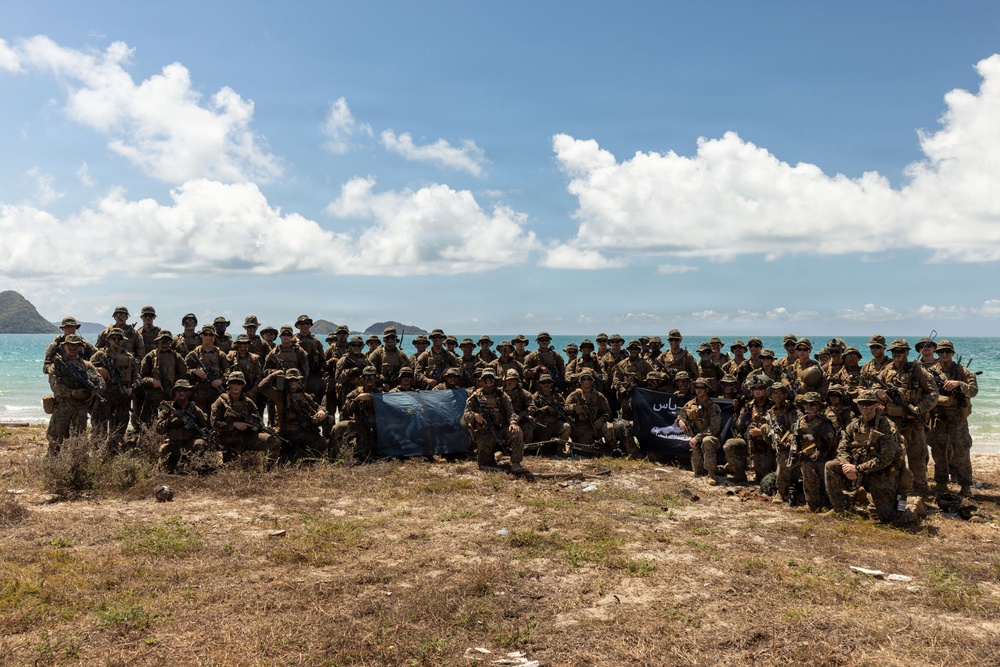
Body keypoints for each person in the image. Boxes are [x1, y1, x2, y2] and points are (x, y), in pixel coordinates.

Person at [825, 390, 914, 525]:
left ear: (876, 405)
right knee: (831, 466)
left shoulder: (887, 426)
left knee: (891, 520)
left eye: (868, 404)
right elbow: (842, 448)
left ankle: (915, 507)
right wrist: (846, 465)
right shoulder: (854, 425)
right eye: (862, 404)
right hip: (858, 469)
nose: (865, 407)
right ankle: (839, 509)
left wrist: (858, 468)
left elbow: (886, 459)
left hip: (882, 473)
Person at [874, 338, 938, 498]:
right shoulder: (886, 370)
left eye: (901, 351)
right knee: (892, 457)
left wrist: (918, 408)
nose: (897, 354)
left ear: (907, 352)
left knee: (917, 458)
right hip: (890, 423)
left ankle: (920, 492)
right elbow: (873, 387)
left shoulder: (917, 370)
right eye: (894, 352)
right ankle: (895, 490)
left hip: (912, 422)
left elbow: (933, 393)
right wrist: (878, 393)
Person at [928, 340, 979, 497]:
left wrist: (959, 384)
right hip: (938, 417)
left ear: (952, 353)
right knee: (939, 451)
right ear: (937, 353)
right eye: (941, 352)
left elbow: (973, 391)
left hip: (957, 418)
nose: (944, 354)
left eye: (948, 352)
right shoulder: (930, 372)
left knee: (961, 451)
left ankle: (965, 485)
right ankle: (941, 483)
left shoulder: (962, 371)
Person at [46, 333, 105, 456]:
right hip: (62, 407)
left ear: (80, 348)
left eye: (76, 346)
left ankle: (76, 468)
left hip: (80, 409)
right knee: (55, 440)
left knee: (78, 442)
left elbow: (101, 383)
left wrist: (93, 390)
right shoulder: (57, 364)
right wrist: (72, 393)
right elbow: (54, 385)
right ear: (65, 346)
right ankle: (51, 469)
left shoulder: (87, 365)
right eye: (70, 345)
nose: (73, 348)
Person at [258, 368, 330, 463]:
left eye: (295, 380)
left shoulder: (304, 395)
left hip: (301, 432)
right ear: (286, 380)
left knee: (322, 443)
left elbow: (318, 406)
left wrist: (321, 411)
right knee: (286, 460)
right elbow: (262, 387)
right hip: (285, 433)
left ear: (299, 380)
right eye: (290, 380)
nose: (293, 382)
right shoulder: (280, 395)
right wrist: (274, 374)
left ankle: (305, 462)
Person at [464, 367, 526, 473]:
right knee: (485, 465)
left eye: (491, 378)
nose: (488, 381)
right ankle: (496, 456)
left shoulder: (501, 395)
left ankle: (516, 463)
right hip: (485, 433)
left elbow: (511, 412)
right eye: (485, 379)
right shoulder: (475, 396)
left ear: (495, 380)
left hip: (501, 429)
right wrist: (475, 415)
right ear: (481, 380)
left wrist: (513, 423)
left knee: (517, 432)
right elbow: (465, 415)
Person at [210, 371, 278, 465]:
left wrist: (258, 426)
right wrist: (234, 424)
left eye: (239, 383)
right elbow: (214, 424)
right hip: (230, 440)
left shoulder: (248, 402)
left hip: (247, 437)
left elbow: (258, 420)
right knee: (232, 466)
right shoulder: (220, 402)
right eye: (233, 383)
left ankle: (269, 469)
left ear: (243, 386)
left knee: (273, 440)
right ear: (228, 384)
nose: (236, 386)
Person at [90, 327, 139, 450]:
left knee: (119, 427)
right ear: (108, 340)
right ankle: (98, 451)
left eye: (119, 339)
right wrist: (99, 370)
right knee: (99, 426)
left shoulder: (129, 357)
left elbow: (137, 377)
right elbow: (87, 369)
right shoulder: (100, 355)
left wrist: (131, 388)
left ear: (124, 341)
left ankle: (113, 450)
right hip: (105, 394)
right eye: (113, 338)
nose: (116, 341)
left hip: (122, 396)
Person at [723, 375, 774, 484]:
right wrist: (740, 416)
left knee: (763, 479)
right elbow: (739, 426)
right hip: (749, 442)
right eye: (754, 388)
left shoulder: (773, 406)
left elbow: (781, 428)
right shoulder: (748, 406)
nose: (757, 391)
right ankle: (740, 475)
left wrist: (761, 431)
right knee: (730, 445)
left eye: (761, 388)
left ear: (766, 389)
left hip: (766, 445)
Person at [154, 379, 209, 473]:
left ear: (189, 392)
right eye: (179, 390)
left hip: (189, 445)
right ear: (174, 392)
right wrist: (170, 421)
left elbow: (204, 428)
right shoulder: (167, 410)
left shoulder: (195, 410)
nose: (182, 393)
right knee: (162, 450)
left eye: (185, 390)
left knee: (200, 444)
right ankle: (167, 468)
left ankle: (195, 467)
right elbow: (159, 430)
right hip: (173, 445)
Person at [795, 392, 839, 512]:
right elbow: (795, 440)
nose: (809, 408)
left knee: (809, 468)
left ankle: (815, 505)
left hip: (823, 458)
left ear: (818, 407)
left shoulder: (825, 424)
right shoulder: (800, 422)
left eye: (812, 405)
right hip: (806, 456)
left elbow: (826, 449)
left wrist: (811, 456)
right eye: (806, 405)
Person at [677, 377, 723, 485]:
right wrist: (680, 421)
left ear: (707, 389)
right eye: (697, 387)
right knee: (698, 472)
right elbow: (680, 416)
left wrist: (697, 437)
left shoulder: (712, 406)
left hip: (711, 438)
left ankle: (711, 474)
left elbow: (714, 428)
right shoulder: (690, 404)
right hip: (695, 441)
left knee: (707, 440)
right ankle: (718, 469)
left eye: (702, 387)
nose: (699, 390)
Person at [760, 383, 801, 503]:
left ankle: (781, 492)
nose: (777, 395)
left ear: (785, 394)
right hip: (775, 446)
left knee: (784, 459)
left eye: (780, 393)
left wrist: (789, 438)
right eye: (774, 393)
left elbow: (797, 426)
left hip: (792, 445)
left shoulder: (792, 410)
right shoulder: (770, 412)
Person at [138, 330, 188, 426]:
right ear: (157, 341)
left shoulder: (176, 356)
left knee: (172, 421)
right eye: (162, 340)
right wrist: (152, 380)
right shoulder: (150, 356)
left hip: (171, 395)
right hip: (153, 395)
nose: (165, 343)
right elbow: (141, 377)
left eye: (168, 341)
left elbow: (183, 374)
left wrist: (177, 387)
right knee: (147, 423)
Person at [339, 366, 383, 461]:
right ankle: (334, 457)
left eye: (372, 377)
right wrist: (357, 399)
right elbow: (345, 410)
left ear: (376, 378)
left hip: (378, 426)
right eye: (367, 377)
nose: (369, 380)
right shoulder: (355, 393)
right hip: (359, 425)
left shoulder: (381, 393)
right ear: (362, 378)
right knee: (336, 428)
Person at [185, 325, 230, 414]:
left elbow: (228, 371)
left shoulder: (220, 354)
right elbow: (183, 371)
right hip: (198, 392)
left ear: (214, 336)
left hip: (215, 391)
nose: (208, 337)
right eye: (205, 334)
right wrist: (194, 371)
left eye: (211, 335)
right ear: (201, 335)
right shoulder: (194, 354)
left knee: (215, 416)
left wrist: (221, 380)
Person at [565, 369, 613, 453]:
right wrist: (574, 407)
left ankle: (611, 449)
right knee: (585, 451)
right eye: (584, 379)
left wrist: (602, 419)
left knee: (609, 428)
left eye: (589, 379)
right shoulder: (574, 395)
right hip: (580, 427)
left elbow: (608, 411)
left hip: (595, 425)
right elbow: (565, 408)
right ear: (580, 381)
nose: (586, 381)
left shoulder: (599, 396)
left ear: (592, 381)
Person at [529, 373, 572, 453]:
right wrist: (544, 409)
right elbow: (532, 411)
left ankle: (560, 450)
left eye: (548, 382)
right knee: (543, 451)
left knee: (566, 427)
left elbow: (565, 409)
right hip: (541, 426)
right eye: (543, 382)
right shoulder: (535, 397)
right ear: (540, 384)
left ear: (552, 384)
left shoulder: (558, 396)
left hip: (554, 424)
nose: (546, 384)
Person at [227, 334, 265, 411]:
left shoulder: (254, 359)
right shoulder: (231, 357)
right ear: (237, 344)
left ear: (248, 344)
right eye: (240, 343)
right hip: (234, 392)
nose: (242, 345)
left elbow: (259, 378)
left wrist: (252, 392)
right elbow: (226, 373)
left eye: (245, 343)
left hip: (250, 393)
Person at [369, 326, 411, 391]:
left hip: (397, 387)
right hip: (380, 386)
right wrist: (380, 383)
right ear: (384, 339)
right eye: (387, 338)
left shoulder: (401, 355)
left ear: (396, 338)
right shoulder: (377, 353)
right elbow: (370, 370)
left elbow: (408, 370)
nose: (390, 340)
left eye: (392, 337)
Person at [294, 315, 325, 401]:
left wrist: (320, 372)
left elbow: (322, 358)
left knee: (313, 398)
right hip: (297, 373)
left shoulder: (316, 341)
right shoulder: (293, 340)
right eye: (303, 323)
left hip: (312, 374)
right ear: (299, 325)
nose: (306, 326)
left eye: (308, 324)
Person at [502, 369, 536, 445]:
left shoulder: (525, 393)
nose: (512, 382)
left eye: (514, 380)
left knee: (528, 427)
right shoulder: (500, 393)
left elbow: (532, 408)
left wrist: (521, 415)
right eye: (510, 379)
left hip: (520, 420)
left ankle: (524, 447)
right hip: (503, 420)